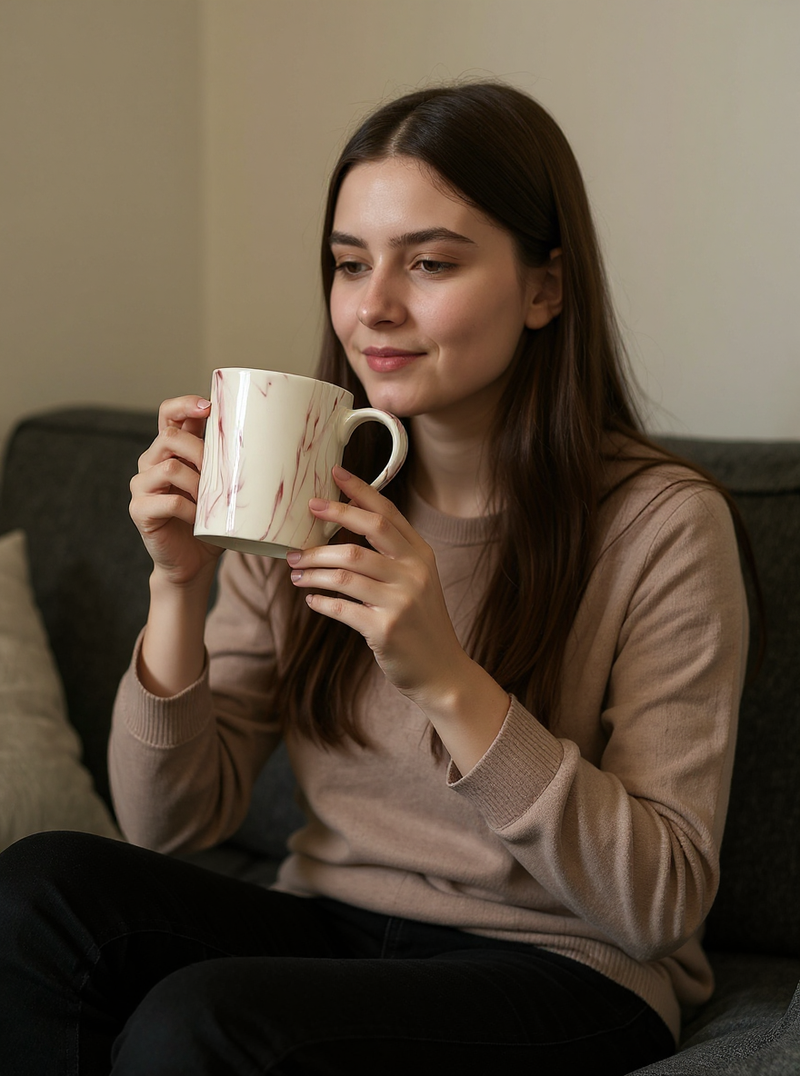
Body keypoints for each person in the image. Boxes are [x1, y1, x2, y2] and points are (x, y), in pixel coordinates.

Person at [0, 81, 752, 1075]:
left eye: (429, 262)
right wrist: (177, 584)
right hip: (334, 921)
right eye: (350, 263)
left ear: (545, 288)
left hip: (568, 965)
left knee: (198, 1023)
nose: (373, 307)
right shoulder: (307, 490)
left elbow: (660, 902)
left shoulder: (661, 524)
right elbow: (170, 823)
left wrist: (447, 679)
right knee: (35, 892)